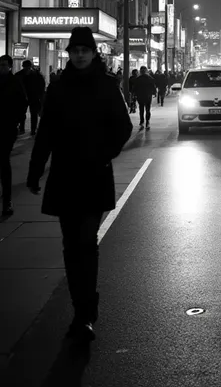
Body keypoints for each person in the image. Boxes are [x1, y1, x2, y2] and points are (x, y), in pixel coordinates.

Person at [26, 27, 132, 342]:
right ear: (70, 54)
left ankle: (85, 314)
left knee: (85, 243)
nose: (81, 55)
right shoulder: (58, 89)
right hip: (64, 175)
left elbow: (123, 127)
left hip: (95, 175)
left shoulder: (107, 86)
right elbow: (45, 133)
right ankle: (80, 308)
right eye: (76, 51)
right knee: (71, 247)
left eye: (86, 50)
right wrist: (34, 171)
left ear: (93, 53)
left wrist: (104, 154)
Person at [0, 55, 28, 216]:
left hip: (7, 128)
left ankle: (7, 200)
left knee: (4, 162)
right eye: (0, 65)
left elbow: (22, 102)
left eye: (4, 65)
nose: (1, 67)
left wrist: (17, 120)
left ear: (10, 66)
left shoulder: (15, 82)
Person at [16, 60, 46, 136]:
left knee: (33, 114)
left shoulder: (36, 75)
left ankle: (32, 130)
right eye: (25, 68)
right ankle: (23, 128)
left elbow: (41, 87)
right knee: (23, 113)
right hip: (24, 97)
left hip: (32, 97)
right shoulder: (19, 75)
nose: (27, 70)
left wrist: (41, 98)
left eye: (28, 68)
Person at [135, 65, 156, 130]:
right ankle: (147, 122)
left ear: (140, 71)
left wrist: (134, 94)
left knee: (141, 109)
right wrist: (154, 93)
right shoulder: (150, 78)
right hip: (148, 95)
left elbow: (135, 88)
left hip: (140, 96)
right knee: (147, 109)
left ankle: (142, 122)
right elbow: (153, 87)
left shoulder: (138, 79)